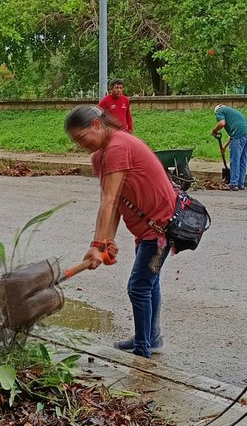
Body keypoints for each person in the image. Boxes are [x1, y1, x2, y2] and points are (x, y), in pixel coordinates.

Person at [66, 104, 176, 358]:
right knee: (150, 282)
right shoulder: (99, 156)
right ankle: (150, 337)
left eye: (82, 138)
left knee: (139, 287)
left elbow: (110, 201)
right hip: (147, 230)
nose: (80, 144)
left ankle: (142, 350)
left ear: (97, 124)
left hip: (162, 232)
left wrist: (97, 244)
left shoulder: (118, 146)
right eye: (75, 142)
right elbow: (112, 202)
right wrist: (104, 242)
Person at [210, 104, 247, 190]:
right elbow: (232, 136)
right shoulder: (233, 112)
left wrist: (214, 131)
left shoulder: (220, 111)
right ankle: (241, 184)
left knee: (235, 159)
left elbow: (222, 123)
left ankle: (233, 183)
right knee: (242, 160)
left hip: (239, 135)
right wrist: (224, 147)